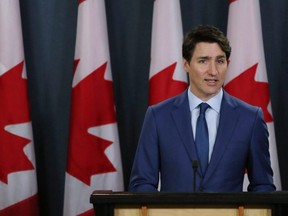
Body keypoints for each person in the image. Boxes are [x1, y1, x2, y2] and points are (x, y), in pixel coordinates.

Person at [128, 25, 275, 192]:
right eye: (203, 61)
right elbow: (141, 184)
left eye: (220, 61)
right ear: (186, 64)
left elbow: (263, 186)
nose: (213, 71)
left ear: (228, 63)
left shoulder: (250, 118)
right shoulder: (158, 117)